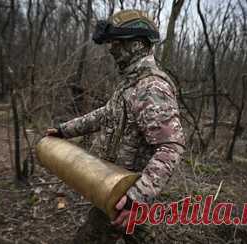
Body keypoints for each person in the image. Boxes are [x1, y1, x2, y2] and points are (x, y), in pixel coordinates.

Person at [46, 10, 185, 244]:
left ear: (138, 45)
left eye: (118, 43)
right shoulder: (131, 85)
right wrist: (63, 130)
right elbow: (104, 115)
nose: (111, 49)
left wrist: (136, 199)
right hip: (116, 185)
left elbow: (172, 147)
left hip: (126, 191)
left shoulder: (151, 87)